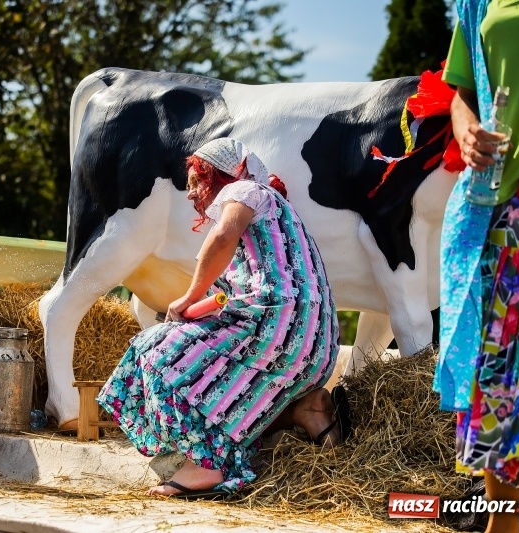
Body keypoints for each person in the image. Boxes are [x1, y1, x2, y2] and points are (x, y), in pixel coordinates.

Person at [97, 138, 350, 498]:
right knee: (220, 392)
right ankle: (305, 409)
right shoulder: (275, 210)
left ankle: (206, 466)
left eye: (194, 182)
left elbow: (223, 235)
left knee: (155, 351)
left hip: (278, 325)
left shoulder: (245, 189)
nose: (189, 195)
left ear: (219, 175)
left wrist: (189, 298)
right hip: (314, 344)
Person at [434, 2, 519, 532]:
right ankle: (502, 525)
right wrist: (465, 131)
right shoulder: (477, 3)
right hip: (505, 205)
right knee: (501, 360)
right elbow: (462, 92)